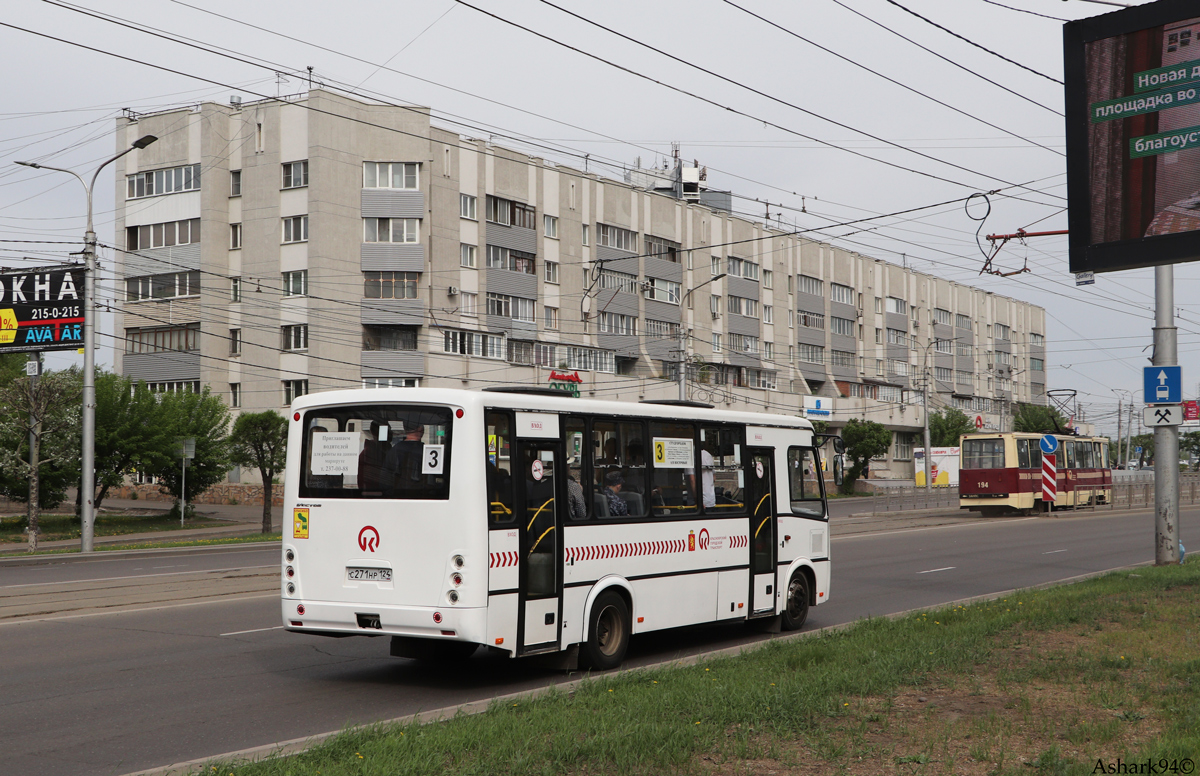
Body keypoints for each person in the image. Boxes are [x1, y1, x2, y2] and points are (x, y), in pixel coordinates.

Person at [384, 423, 425, 490]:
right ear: (420, 429)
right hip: (422, 493)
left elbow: (385, 476)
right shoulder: (425, 451)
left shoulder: (394, 450)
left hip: (397, 493)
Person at [687, 442, 717, 509]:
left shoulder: (690, 456)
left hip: (697, 502)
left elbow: (692, 480)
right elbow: (714, 478)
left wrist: (697, 500)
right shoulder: (708, 455)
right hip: (711, 499)